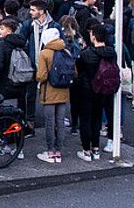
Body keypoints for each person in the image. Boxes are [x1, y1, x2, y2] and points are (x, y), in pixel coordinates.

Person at [75, 25, 115, 161]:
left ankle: (86, 150)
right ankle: (96, 149)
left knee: (85, 120)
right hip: (104, 89)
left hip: (86, 89)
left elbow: (79, 69)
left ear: (94, 36)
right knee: (97, 118)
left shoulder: (87, 54)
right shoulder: (111, 52)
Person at [35, 26, 72, 163]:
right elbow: (74, 72)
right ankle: (59, 151)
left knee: (50, 122)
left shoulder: (45, 53)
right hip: (64, 92)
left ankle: (50, 151)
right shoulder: (66, 51)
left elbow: (41, 76)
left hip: (49, 92)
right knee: (60, 122)